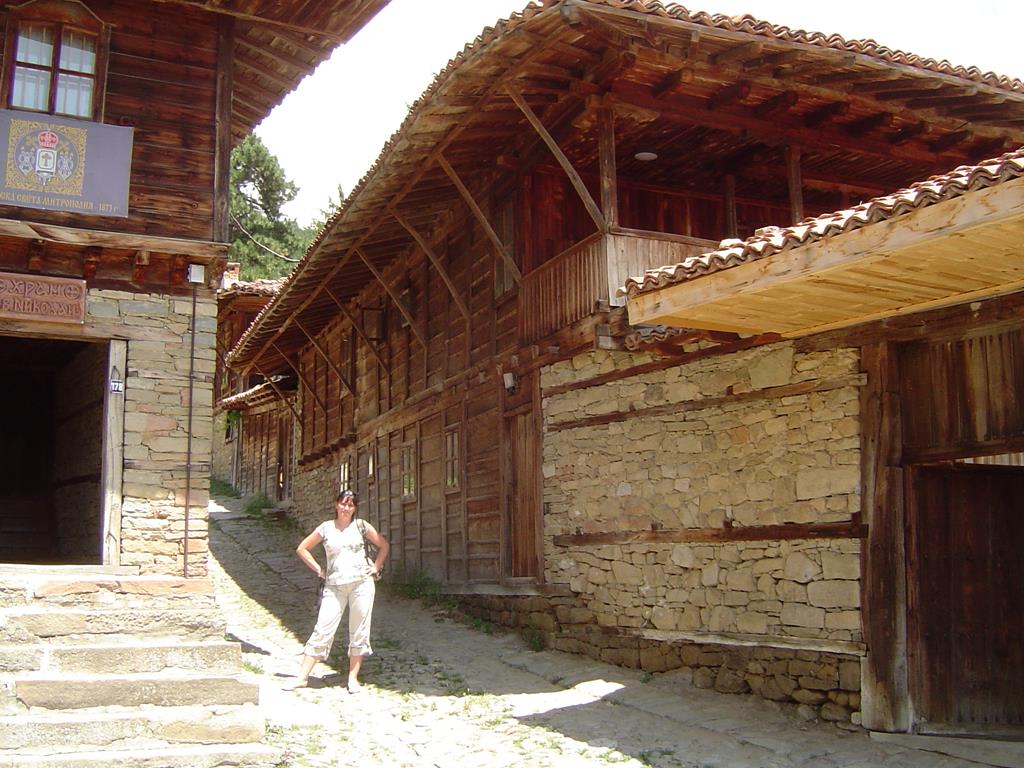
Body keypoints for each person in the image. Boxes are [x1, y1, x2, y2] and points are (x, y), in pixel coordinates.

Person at [289, 489, 390, 692]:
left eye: (350, 505)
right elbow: (302, 548)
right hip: (334, 586)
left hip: (361, 584)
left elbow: (383, 545)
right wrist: (319, 570)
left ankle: (353, 678)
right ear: (337, 505)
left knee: (359, 630)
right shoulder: (326, 528)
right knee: (323, 628)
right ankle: (302, 677)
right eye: (343, 503)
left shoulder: (361, 526)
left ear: (354, 508)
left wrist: (376, 566)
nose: (346, 508)